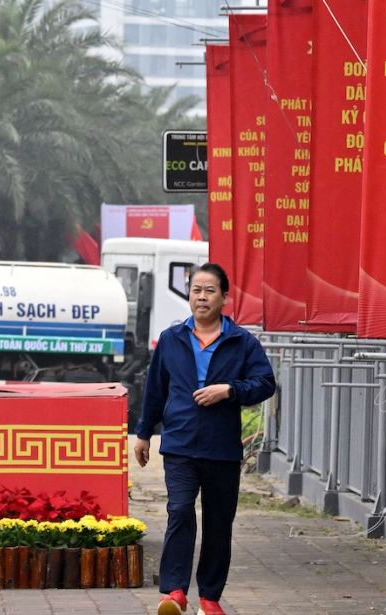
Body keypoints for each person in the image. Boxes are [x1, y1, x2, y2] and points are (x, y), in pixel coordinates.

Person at [133, 263, 276, 615]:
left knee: (218, 522)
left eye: (209, 290)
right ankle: (175, 592)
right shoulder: (172, 339)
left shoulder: (242, 342)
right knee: (179, 512)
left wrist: (229, 390)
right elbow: (155, 390)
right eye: (196, 290)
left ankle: (210, 598)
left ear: (224, 298)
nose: (201, 297)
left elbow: (265, 383)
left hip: (222, 448)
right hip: (179, 444)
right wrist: (143, 433)